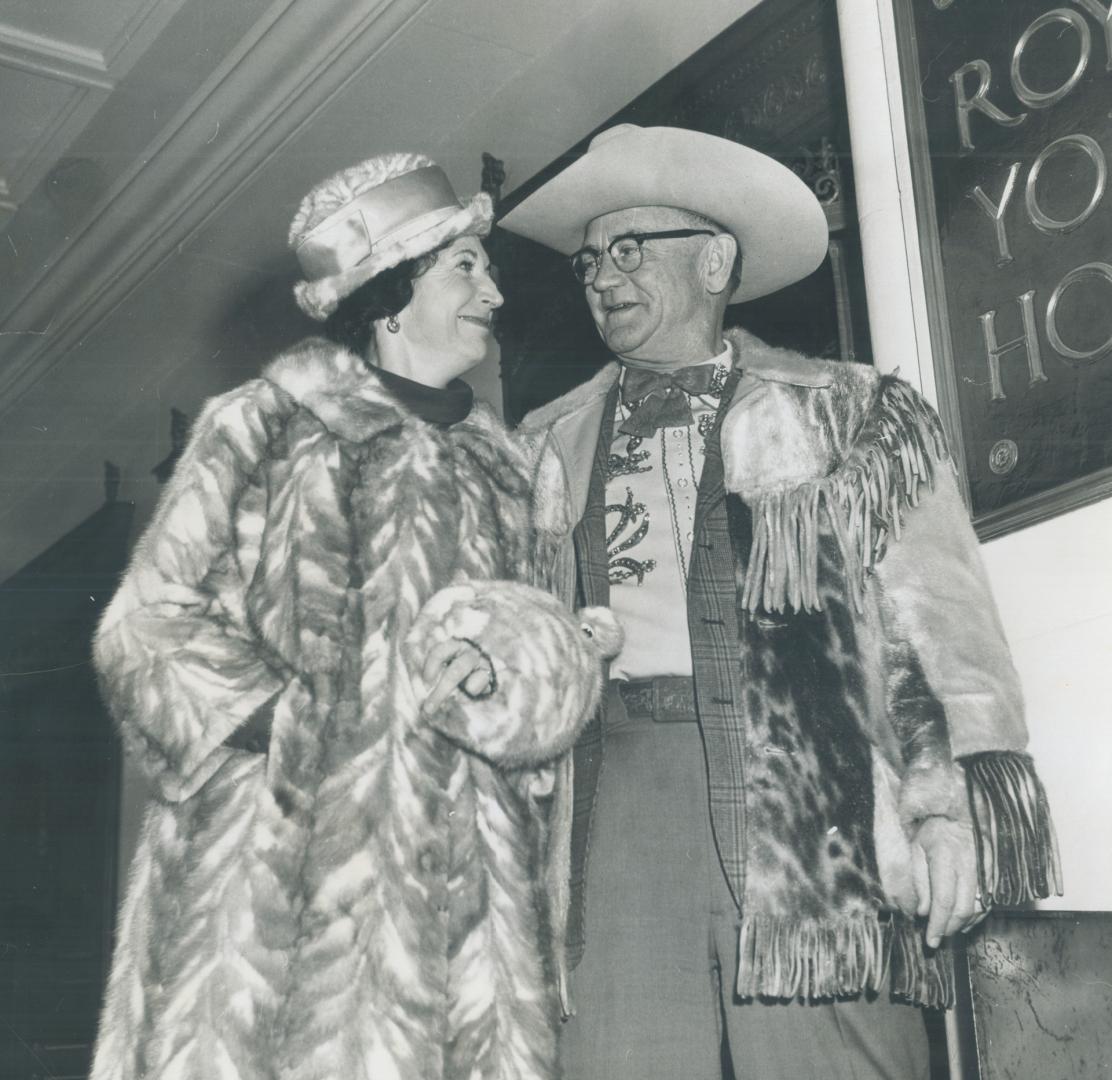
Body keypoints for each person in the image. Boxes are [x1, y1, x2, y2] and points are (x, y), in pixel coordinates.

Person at [501, 124, 1061, 1080]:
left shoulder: (853, 412)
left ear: (715, 259)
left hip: (821, 808)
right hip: (615, 811)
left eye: (631, 248)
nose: (601, 275)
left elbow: (946, 632)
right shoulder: (540, 445)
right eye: (591, 259)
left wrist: (950, 812)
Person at [89, 152, 621, 1080]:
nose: (494, 289)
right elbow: (145, 625)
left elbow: (535, 676)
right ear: (389, 290)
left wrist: (523, 674)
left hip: (467, 910)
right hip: (276, 896)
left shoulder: (519, 473)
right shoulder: (262, 425)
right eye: (465, 264)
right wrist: (302, 729)